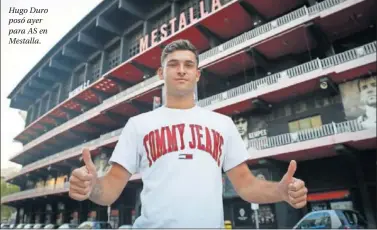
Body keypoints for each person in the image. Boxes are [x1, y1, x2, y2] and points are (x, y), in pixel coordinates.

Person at [68, 39, 308, 228]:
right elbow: (109, 190)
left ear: (197, 74)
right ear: (160, 74)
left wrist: (280, 191)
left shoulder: (222, 124)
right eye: (172, 64)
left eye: (188, 65)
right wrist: (91, 186)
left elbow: (246, 185)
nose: (181, 70)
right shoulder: (138, 124)